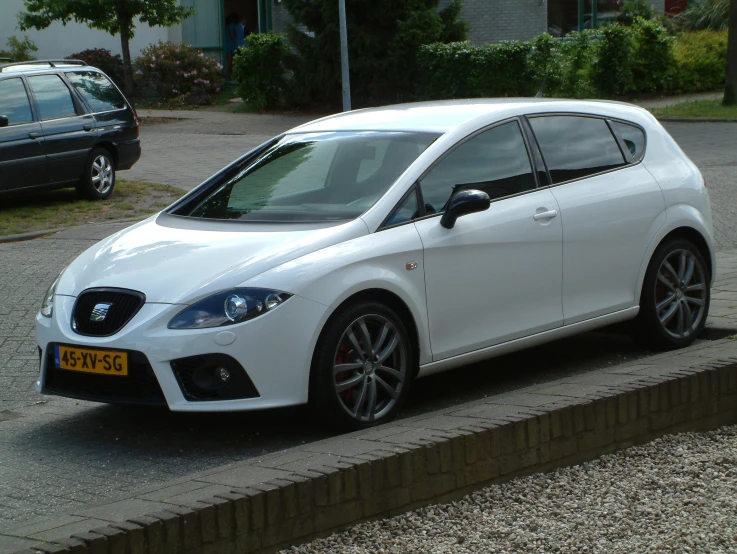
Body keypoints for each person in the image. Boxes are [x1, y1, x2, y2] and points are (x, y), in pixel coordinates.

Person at [226, 12, 239, 76]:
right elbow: (232, 34)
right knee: (230, 58)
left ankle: (228, 71)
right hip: (230, 43)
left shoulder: (226, 25)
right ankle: (227, 72)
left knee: (228, 58)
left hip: (226, 42)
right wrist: (235, 40)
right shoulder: (231, 24)